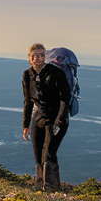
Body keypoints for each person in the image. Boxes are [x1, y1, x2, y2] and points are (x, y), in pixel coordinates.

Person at [22, 43, 71, 190]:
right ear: (29, 58)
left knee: (49, 153)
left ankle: (51, 188)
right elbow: (28, 101)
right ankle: (39, 186)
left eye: (41, 55)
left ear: (45, 57)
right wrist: (25, 124)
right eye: (34, 55)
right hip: (38, 116)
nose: (37, 58)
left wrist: (59, 121)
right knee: (37, 153)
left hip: (56, 117)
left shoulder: (56, 73)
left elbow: (65, 99)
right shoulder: (27, 74)